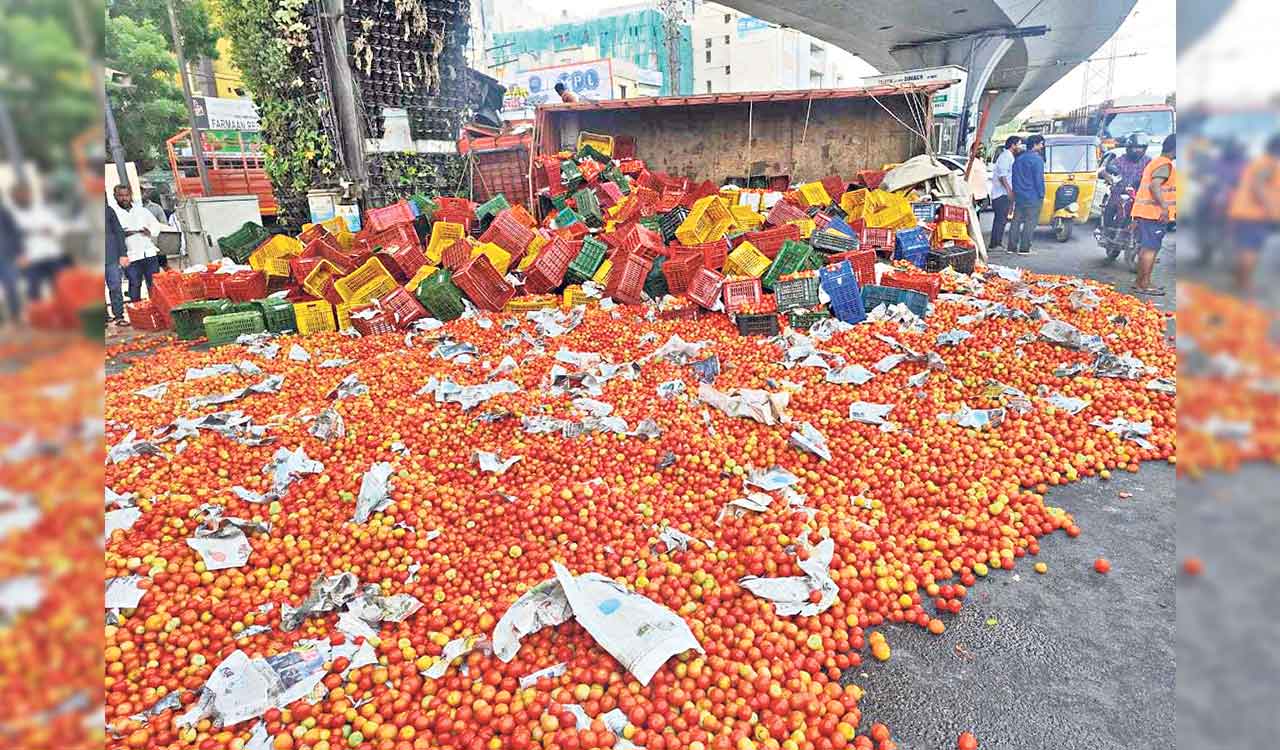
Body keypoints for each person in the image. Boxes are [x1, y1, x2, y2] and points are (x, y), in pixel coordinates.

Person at [1226, 133, 1280, 292]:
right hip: (1253, 215)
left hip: (1245, 213)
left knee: (1244, 249)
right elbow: (1259, 186)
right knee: (1250, 250)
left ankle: (1240, 282)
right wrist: (1272, 211)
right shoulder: (1267, 163)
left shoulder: (1261, 162)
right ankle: (1245, 285)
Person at [1130, 134, 1177, 295]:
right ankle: (1144, 284)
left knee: (1147, 249)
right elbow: (1154, 186)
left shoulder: (1156, 162)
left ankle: (1141, 282)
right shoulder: (1165, 164)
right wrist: (1164, 207)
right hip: (1153, 214)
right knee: (1150, 250)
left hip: (1146, 213)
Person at [9, 183, 68, 301]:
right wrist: (18, 256)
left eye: (25, 194)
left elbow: (60, 227)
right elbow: (9, 239)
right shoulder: (10, 215)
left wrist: (52, 230)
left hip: (51, 254)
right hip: (30, 259)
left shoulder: (42, 209)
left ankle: (62, 311)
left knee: (61, 285)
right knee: (33, 290)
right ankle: (37, 315)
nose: (23, 197)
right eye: (19, 195)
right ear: (14, 197)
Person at [110, 184, 166, 302]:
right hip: (130, 255)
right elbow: (111, 234)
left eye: (126, 195)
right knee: (134, 284)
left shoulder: (141, 210)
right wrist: (122, 234)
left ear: (131, 196)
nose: (124, 198)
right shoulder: (113, 213)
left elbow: (156, 226)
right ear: (115, 196)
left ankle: (156, 308)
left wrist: (149, 231)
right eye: (121, 196)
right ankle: (137, 310)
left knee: (154, 285)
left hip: (148, 253)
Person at [1100, 133, 1151, 227]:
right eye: (1134, 148)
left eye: (1140, 148)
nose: (1137, 151)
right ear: (1128, 148)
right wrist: (1109, 177)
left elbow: (1155, 174)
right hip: (1120, 193)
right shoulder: (1120, 160)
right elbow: (1103, 171)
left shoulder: (1148, 161)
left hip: (1140, 196)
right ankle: (1107, 230)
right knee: (1111, 207)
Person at [1006, 134, 1046, 255]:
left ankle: (1011, 248)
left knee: (1016, 221)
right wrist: (1041, 194)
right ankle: (1024, 248)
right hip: (1033, 196)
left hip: (1019, 195)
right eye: (1041, 144)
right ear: (1035, 145)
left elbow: (1014, 178)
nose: (1042, 146)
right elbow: (1039, 180)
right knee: (1030, 221)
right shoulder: (1037, 159)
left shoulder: (1018, 159)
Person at [989, 135, 1022, 249]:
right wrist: (1009, 191)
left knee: (1002, 220)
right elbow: (1002, 177)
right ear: (1013, 145)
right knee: (1000, 220)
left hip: (1004, 193)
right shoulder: (1005, 157)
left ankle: (997, 243)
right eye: (1018, 144)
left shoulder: (1010, 156)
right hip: (1001, 194)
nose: (1020, 147)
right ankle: (994, 244)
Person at [0, 195, 22, 326]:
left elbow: (15, 232)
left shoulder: (3, 212)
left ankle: (16, 316)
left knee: (11, 286)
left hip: (6, 256)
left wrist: (20, 253)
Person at [105, 200, 128, 325]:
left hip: (111, 255)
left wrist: (123, 254)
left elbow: (119, 232)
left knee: (115, 286)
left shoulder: (108, 211)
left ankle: (119, 316)